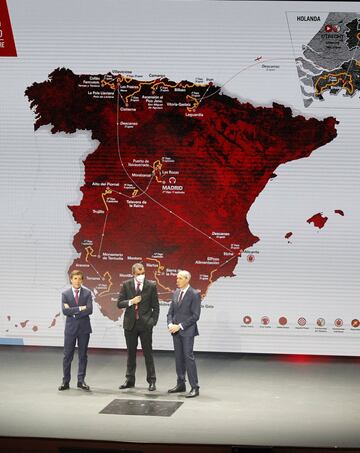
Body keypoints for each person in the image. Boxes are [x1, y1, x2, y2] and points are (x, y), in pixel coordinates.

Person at [117, 263, 160, 391]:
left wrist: (152, 321)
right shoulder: (126, 285)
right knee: (131, 353)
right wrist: (131, 301)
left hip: (145, 325)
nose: (141, 276)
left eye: (143, 273)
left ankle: (151, 381)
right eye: (138, 274)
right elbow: (119, 303)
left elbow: (156, 306)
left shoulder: (151, 285)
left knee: (148, 354)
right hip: (130, 325)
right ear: (133, 274)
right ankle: (129, 380)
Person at [167, 270, 201, 398]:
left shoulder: (194, 294)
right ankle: (181, 384)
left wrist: (179, 326)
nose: (177, 280)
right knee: (179, 358)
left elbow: (195, 316)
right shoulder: (176, 292)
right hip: (175, 331)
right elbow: (170, 312)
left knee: (188, 358)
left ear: (187, 279)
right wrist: (170, 324)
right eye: (177, 278)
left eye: (180, 278)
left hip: (187, 331)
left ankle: (195, 387)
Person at [59, 270, 93, 391]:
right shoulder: (65, 294)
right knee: (67, 356)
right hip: (70, 330)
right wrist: (80, 308)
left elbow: (89, 310)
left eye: (79, 279)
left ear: (82, 280)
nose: (77, 281)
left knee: (83, 356)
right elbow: (65, 311)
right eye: (75, 278)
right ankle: (65, 381)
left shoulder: (88, 293)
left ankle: (81, 381)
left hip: (84, 329)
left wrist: (73, 311)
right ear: (71, 280)